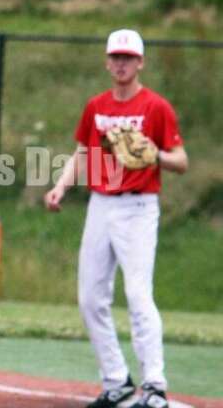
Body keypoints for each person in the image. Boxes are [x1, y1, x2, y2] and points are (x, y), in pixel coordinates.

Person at [44, 29, 188, 408]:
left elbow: (181, 161)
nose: (121, 63)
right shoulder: (96, 106)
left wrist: (154, 154)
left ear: (141, 62)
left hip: (138, 208)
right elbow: (81, 151)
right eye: (116, 57)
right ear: (107, 62)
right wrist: (61, 187)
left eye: (128, 57)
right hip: (100, 204)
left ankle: (154, 386)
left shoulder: (156, 107)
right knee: (90, 297)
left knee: (138, 296)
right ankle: (117, 380)